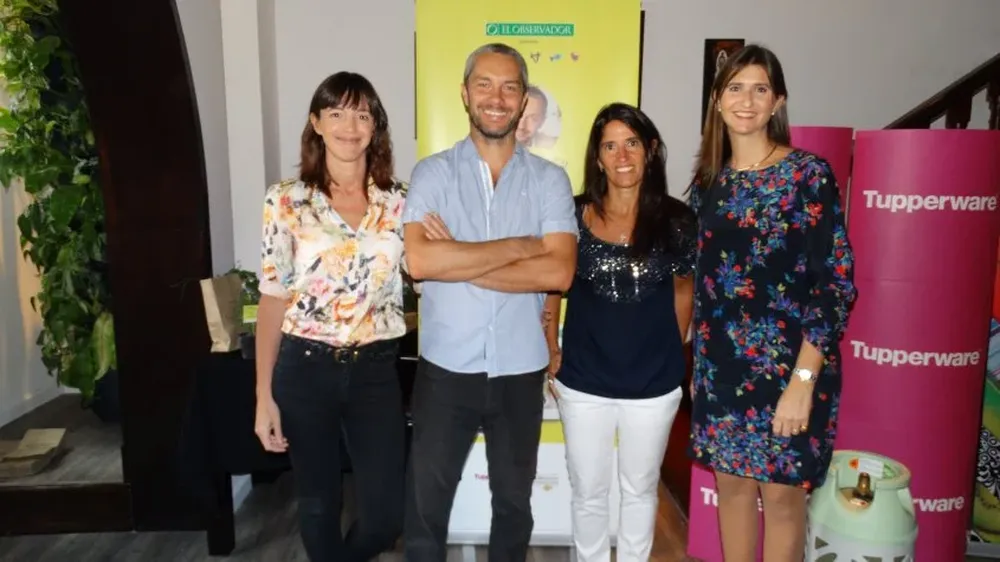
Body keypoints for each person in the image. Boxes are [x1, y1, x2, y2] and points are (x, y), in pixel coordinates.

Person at [401, 42, 578, 562]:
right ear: (464, 94)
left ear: (524, 100)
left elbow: (560, 271)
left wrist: (460, 256)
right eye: (484, 85)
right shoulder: (432, 173)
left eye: (510, 87)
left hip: (520, 371)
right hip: (444, 370)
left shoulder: (550, 180)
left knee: (514, 506)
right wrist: (523, 247)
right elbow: (421, 263)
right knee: (425, 507)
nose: (496, 98)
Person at [687, 44, 858, 562]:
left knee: (782, 501)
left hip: (789, 370)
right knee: (733, 491)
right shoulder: (708, 184)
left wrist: (802, 384)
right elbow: (704, 281)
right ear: (717, 101)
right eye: (735, 88)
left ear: (777, 101)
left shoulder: (808, 174)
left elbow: (836, 284)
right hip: (720, 370)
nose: (746, 100)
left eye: (760, 88)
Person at [253, 71, 408, 562]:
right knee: (318, 504)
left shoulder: (401, 202)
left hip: (376, 370)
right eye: (336, 112)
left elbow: (425, 271)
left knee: (386, 515)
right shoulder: (285, 200)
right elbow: (273, 298)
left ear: (375, 127)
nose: (349, 125)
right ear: (316, 123)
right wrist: (263, 396)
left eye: (362, 114)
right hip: (304, 368)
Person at [543, 103, 695, 562]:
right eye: (610, 145)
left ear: (650, 150)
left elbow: (684, 290)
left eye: (631, 142)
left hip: (653, 383)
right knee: (588, 492)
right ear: (598, 157)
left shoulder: (677, 220)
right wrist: (550, 346)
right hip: (584, 379)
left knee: (639, 490)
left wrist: (674, 349)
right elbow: (553, 283)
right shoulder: (571, 214)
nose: (622, 154)